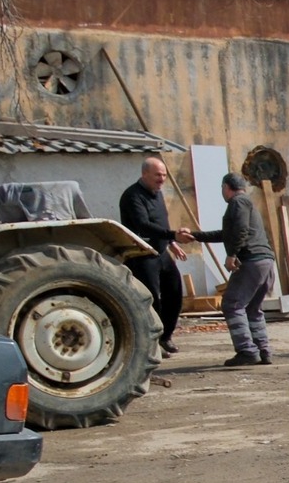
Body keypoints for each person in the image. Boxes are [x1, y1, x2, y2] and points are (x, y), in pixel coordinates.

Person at [179, 173, 276, 369]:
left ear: (225, 187)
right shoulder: (247, 203)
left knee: (232, 304)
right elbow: (227, 234)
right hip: (265, 261)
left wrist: (232, 254)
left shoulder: (237, 203)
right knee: (252, 308)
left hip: (251, 261)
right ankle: (263, 349)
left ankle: (246, 350)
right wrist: (195, 236)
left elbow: (240, 230)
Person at [118, 157, 187, 355]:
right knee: (152, 300)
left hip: (161, 252)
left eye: (164, 175)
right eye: (158, 175)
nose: (162, 179)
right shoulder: (132, 196)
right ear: (145, 174)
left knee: (174, 293)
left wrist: (172, 243)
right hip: (142, 254)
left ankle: (166, 337)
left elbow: (161, 222)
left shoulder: (157, 194)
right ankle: (152, 343)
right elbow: (143, 225)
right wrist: (173, 234)